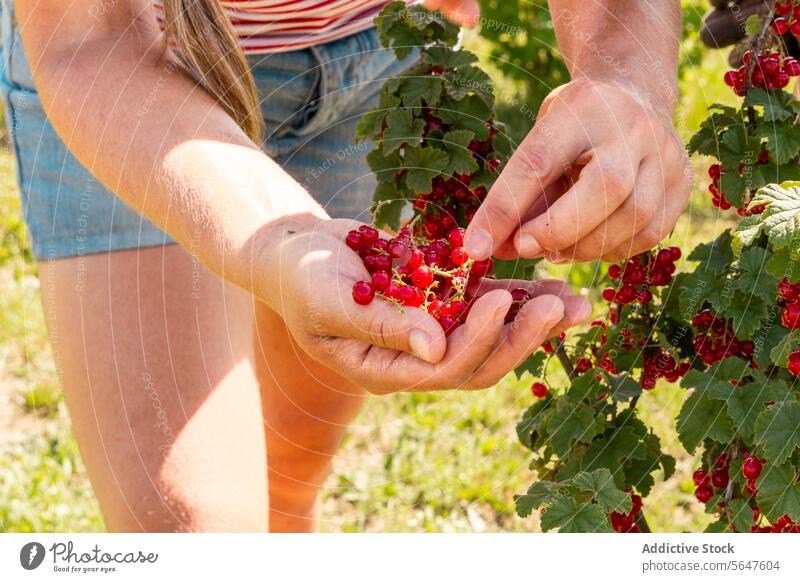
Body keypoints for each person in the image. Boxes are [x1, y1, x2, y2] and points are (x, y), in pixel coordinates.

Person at [0, 0, 686, 532]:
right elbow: (88, 35)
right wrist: (279, 242)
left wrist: (625, 75)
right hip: (137, 64)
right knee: (195, 534)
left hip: (378, 51)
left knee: (289, 471)